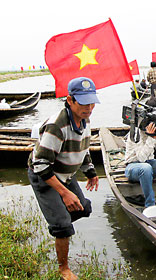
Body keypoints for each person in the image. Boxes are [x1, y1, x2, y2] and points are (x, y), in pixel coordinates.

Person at [27, 77, 100, 280]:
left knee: (84, 208)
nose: (89, 107)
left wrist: (90, 171)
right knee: (63, 226)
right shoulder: (56, 126)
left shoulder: (84, 120)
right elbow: (40, 165)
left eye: (92, 102)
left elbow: (84, 147)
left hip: (65, 174)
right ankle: (63, 268)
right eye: (84, 103)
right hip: (45, 176)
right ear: (70, 100)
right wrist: (64, 193)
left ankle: (57, 221)